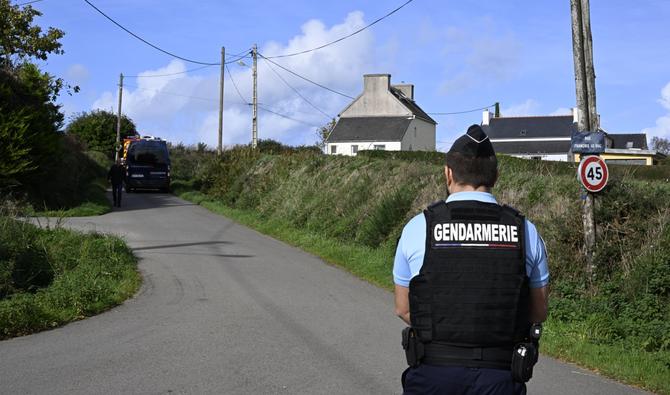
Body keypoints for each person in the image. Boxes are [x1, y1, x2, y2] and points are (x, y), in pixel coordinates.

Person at [393, 124, 549, 395]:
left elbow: (404, 308)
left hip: (432, 376)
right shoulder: (525, 231)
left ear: (448, 173)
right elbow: (538, 311)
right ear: (496, 176)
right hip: (500, 378)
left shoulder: (418, 227)